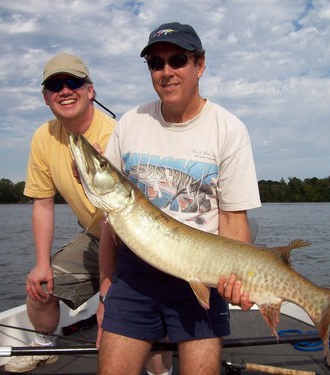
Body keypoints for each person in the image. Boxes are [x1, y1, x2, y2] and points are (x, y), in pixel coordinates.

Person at [98, 22, 261, 375]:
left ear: (199, 65)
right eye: (156, 63)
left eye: (177, 60)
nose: (166, 71)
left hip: (202, 271)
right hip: (135, 276)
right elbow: (111, 221)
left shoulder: (229, 129)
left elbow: (233, 220)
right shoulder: (130, 123)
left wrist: (236, 279)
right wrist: (105, 289)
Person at [4, 52, 116, 373]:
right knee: (41, 287)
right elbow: (42, 202)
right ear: (46, 97)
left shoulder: (116, 135)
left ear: (90, 90)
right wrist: (42, 265)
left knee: (131, 314)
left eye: (74, 82)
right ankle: (44, 345)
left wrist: (109, 296)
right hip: (97, 237)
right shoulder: (43, 137)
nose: (65, 90)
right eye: (55, 85)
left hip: (132, 239)